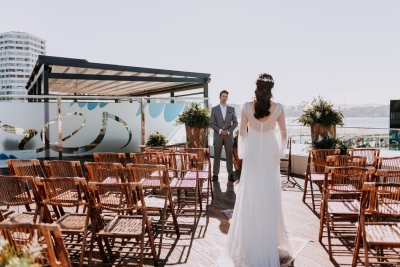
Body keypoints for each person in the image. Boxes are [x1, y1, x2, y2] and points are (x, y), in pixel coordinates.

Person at [214, 73, 292, 266]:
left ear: (256, 87)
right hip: (270, 157)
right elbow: (284, 135)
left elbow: (241, 134)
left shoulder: (247, 107)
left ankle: (252, 242)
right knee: (270, 198)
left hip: (252, 157)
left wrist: (244, 154)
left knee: (250, 196)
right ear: (271, 88)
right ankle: (268, 242)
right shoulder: (279, 108)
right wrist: (278, 153)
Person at [210, 90, 238, 182]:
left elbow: (235, 123)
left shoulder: (231, 109)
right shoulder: (214, 109)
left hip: (228, 136)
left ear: (227, 98)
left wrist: (228, 131)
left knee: (229, 156)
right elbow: (211, 123)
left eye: (226, 96)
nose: (224, 98)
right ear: (219, 97)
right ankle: (215, 175)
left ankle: (230, 175)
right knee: (217, 155)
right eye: (223, 96)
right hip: (218, 136)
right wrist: (220, 130)